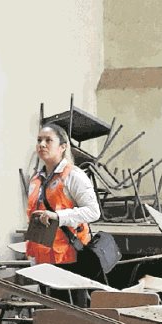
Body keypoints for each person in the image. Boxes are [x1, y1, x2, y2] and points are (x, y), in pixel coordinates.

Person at [25, 123, 100, 306]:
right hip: (43, 259)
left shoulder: (74, 175)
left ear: (63, 146)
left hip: (70, 257)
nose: (42, 144)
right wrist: (32, 258)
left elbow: (93, 211)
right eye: (39, 140)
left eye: (48, 140)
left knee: (72, 313)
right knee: (50, 315)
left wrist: (59, 217)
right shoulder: (36, 180)